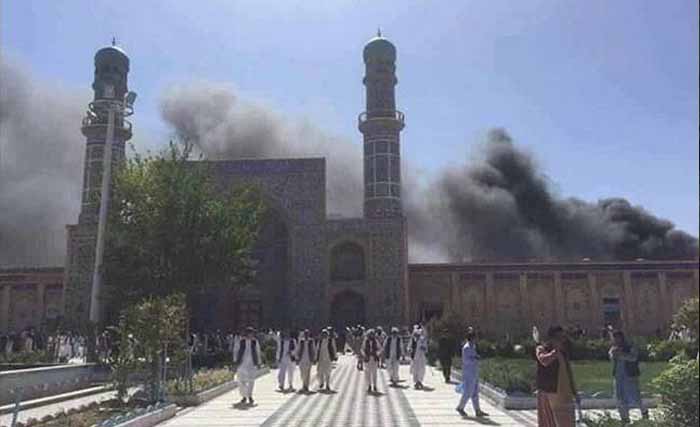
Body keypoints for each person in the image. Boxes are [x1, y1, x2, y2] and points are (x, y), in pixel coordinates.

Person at [536, 326, 579, 427]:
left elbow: (568, 372)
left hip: (564, 393)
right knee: (548, 421)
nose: (562, 340)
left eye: (563, 337)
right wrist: (555, 352)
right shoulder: (542, 349)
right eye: (559, 337)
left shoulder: (563, 353)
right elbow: (544, 361)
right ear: (551, 338)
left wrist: (575, 391)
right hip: (548, 391)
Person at [609, 330, 649, 424]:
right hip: (618, 376)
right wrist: (613, 354)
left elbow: (633, 357)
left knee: (635, 397)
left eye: (618, 338)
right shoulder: (614, 348)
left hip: (630, 376)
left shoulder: (630, 347)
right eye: (615, 338)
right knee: (620, 398)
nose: (616, 340)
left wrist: (622, 355)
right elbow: (611, 356)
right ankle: (625, 418)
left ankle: (644, 411)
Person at [456, 327, 489, 417]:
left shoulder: (472, 347)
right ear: (472, 338)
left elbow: (473, 357)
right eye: (475, 338)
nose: (476, 340)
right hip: (469, 373)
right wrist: (475, 358)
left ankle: (477, 410)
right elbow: (466, 360)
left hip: (474, 372)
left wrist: (476, 358)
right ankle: (460, 407)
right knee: (468, 391)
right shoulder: (466, 348)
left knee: (475, 392)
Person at [233, 326, 261, 405]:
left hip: (252, 364)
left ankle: (250, 395)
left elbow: (258, 352)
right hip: (242, 363)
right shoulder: (240, 341)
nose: (251, 335)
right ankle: (244, 396)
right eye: (250, 333)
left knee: (251, 380)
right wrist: (235, 361)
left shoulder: (255, 342)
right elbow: (236, 350)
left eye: (252, 333)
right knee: (241, 380)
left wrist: (259, 362)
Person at [362, 329, 382, 393]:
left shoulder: (376, 341)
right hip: (367, 359)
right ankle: (369, 386)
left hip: (374, 358)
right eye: (370, 334)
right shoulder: (365, 341)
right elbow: (362, 349)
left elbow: (380, 349)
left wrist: (377, 354)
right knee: (367, 373)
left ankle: (375, 385)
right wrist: (364, 355)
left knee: (374, 373)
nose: (371, 335)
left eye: (372, 334)